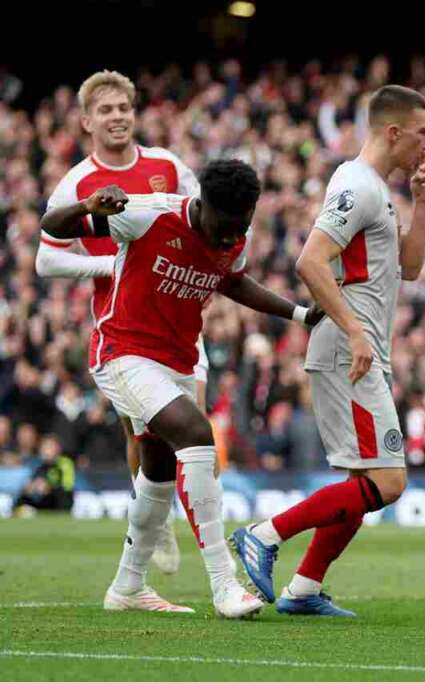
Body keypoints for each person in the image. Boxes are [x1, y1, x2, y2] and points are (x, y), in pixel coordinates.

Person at [40, 159, 323, 618]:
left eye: (242, 226)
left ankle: (127, 586)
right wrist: (87, 205)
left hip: (176, 361)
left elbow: (232, 281)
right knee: (195, 431)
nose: (232, 237)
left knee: (157, 467)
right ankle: (223, 584)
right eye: (226, 226)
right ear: (202, 205)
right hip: (122, 353)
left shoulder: (235, 237)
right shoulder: (147, 214)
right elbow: (51, 226)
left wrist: (298, 314)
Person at [231, 85, 425, 617]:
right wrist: (354, 329)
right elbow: (310, 261)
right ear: (393, 132)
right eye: (423, 134)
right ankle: (265, 534)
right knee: (388, 482)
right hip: (350, 349)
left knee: (361, 481)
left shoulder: (380, 191)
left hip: (360, 347)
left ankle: (303, 589)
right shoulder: (357, 186)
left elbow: (410, 268)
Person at [36, 70, 209, 576]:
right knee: (144, 433)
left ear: (135, 114)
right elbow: (47, 260)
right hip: (124, 329)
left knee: (189, 427)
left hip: (178, 318)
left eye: (124, 109)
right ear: (87, 121)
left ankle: (193, 536)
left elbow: (202, 221)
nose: (117, 118)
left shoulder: (167, 166)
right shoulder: (77, 182)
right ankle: (157, 524)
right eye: (106, 111)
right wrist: (109, 265)